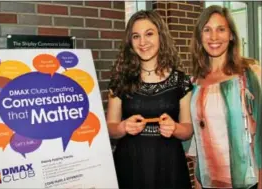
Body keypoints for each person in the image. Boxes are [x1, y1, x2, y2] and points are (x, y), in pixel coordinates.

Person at [107, 10, 193, 189]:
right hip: (130, 165)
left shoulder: (181, 81)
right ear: (130, 42)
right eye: (136, 36)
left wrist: (175, 128)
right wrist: (122, 127)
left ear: (161, 36)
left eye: (149, 34)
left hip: (169, 166)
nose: (143, 42)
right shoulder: (119, 80)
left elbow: (188, 130)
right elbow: (110, 128)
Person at [189, 5, 262, 189]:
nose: (214, 37)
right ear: (200, 36)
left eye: (221, 29)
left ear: (231, 35)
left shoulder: (248, 74)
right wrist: (198, 183)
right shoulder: (194, 83)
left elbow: (261, 133)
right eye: (207, 30)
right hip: (208, 183)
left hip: (246, 182)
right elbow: (197, 141)